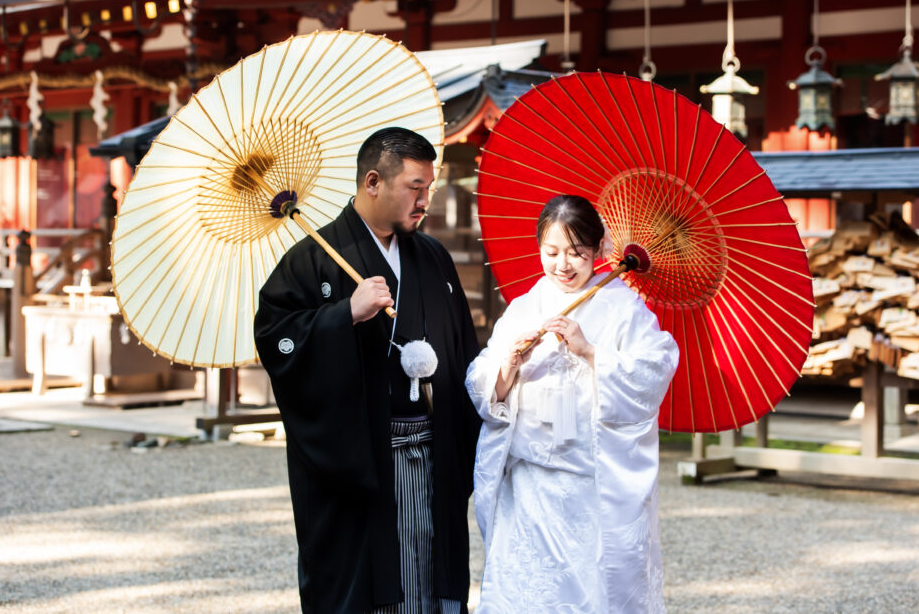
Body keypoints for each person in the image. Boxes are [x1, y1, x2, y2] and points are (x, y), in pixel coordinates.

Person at [254, 127, 481, 614]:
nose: (425, 200)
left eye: (429, 187)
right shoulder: (308, 261)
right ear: (373, 181)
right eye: (415, 187)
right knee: (364, 586)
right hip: (359, 465)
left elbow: (462, 351)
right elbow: (277, 343)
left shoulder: (433, 258)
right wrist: (343, 315)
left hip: (433, 449)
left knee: (431, 581)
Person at [466, 194, 680, 613]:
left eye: (577, 253)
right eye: (552, 252)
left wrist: (591, 352)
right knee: (524, 593)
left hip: (589, 485)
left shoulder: (625, 307)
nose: (563, 264)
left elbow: (655, 369)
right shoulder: (525, 306)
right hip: (529, 482)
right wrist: (507, 365)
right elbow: (482, 377)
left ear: (600, 250)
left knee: (586, 593)